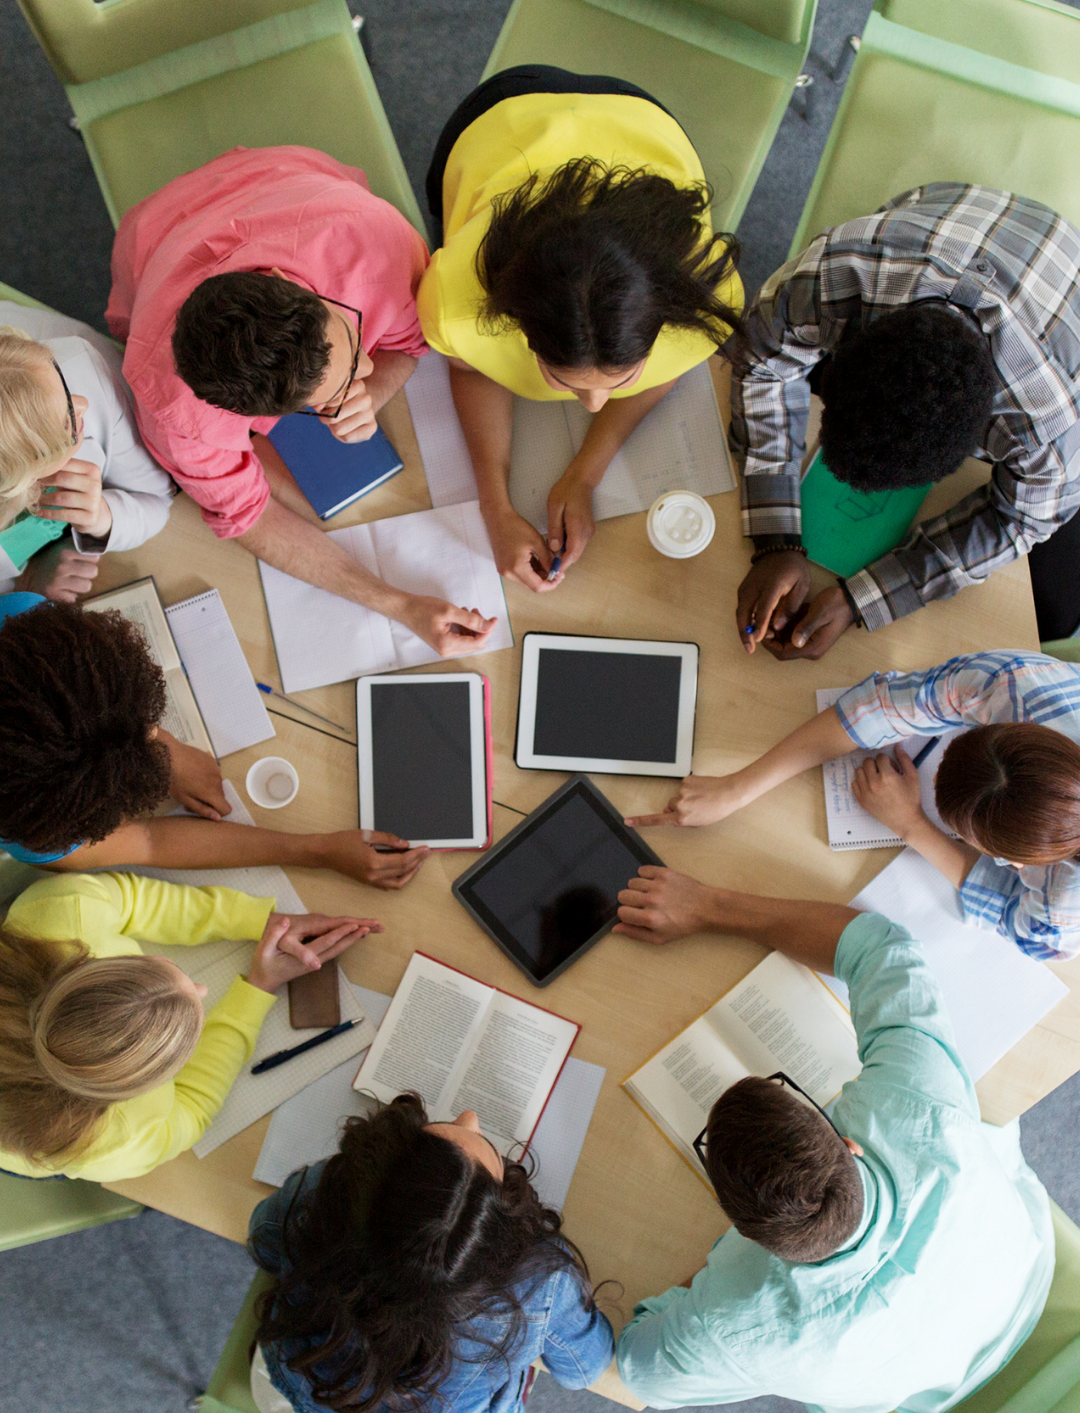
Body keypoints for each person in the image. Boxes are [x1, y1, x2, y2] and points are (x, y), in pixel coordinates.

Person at [611, 869, 1053, 1413]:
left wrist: (710, 1294)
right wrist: (711, 904)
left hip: (933, 1385)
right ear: (848, 1144)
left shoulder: (736, 1327)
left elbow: (636, 1363)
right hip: (1024, 1268)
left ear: (743, 1230)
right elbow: (883, 948)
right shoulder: (918, 1107)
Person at [105, 144, 497, 659]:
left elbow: (408, 343)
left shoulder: (371, 236)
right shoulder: (177, 415)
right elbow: (248, 517)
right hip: (153, 242)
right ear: (244, 416)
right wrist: (399, 605)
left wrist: (375, 391)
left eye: (353, 344)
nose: (367, 367)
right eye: (330, 396)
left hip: (272, 180)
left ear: (293, 284)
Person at [417, 65, 743, 589]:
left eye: (618, 380)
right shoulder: (454, 304)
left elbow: (669, 368)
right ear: (515, 325)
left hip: (636, 116)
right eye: (568, 382)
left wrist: (583, 475)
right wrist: (495, 508)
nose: (593, 405)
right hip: (501, 114)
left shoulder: (707, 301)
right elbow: (472, 370)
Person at [730, 182, 1080, 660]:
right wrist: (775, 538)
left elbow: (1017, 522)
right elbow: (761, 361)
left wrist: (862, 600)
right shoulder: (840, 270)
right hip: (950, 218)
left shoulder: (1052, 431)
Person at [248, 1092, 614, 1413]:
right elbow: (584, 1369)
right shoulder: (542, 1278)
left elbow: (263, 1240)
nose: (470, 1116)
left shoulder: (321, 1191)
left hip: (290, 1407)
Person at [628, 649, 1080, 962]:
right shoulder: (1022, 690)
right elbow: (880, 708)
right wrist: (737, 788)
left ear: (1018, 860)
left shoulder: (1067, 905)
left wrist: (913, 825)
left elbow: (1014, 917)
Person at [0, 593, 427, 888]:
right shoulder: (28, 831)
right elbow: (149, 842)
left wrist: (160, 744)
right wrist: (315, 851)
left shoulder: (18, 627)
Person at [0, 868, 375, 1181]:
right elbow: (192, 1107)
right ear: (142, 1086)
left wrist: (259, 922)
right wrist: (259, 988)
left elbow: (130, 897)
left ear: (97, 963)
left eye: (164, 969)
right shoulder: (113, 1141)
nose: (202, 988)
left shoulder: (65, 914)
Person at [0, 301, 175, 600]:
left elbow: (158, 499)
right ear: (27, 475)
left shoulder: (79, 370)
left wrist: (103, 519)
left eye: (58, 376)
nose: (80, 402)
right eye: (65, 423)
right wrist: (26, 587)